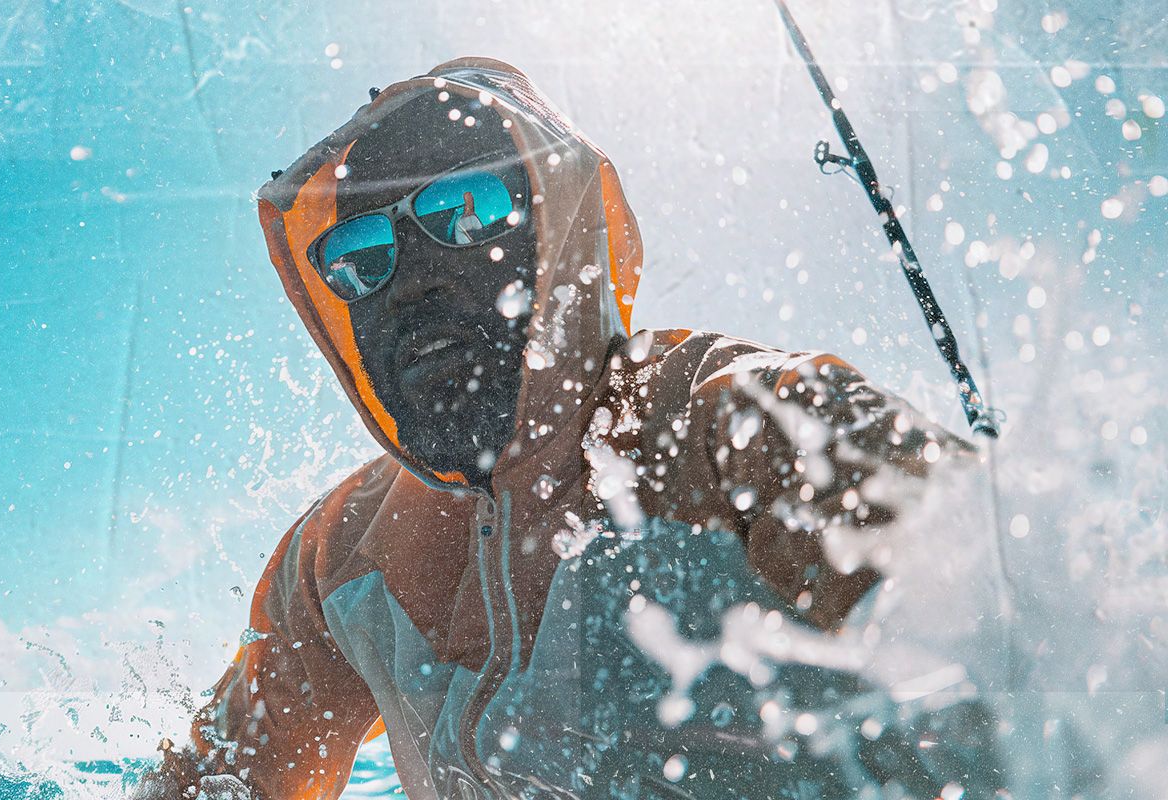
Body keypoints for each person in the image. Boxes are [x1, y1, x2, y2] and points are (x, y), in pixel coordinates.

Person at [135, 58, 998, 800]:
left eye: (466, 210)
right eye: (359, 256)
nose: (409, 282)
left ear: (562, 228)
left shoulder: (742, 420)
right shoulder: (340, 559)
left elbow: (1044, 679)